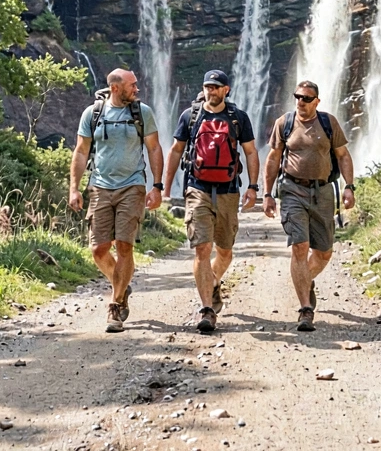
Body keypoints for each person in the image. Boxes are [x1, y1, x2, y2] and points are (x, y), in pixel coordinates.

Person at [70, 69, 165, 333]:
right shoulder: (93, 114)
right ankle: (120, 283)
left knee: (124, 245)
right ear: (115, 87)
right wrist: (73, 188)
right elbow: (81, 151)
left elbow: (154, 148)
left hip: (132, 186)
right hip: (100, 187)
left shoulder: (142, 112)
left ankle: (115, 304)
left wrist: (156, 186)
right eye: (132, 85)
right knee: (99, 249)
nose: (137, 89)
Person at [164, 70, 260, 332]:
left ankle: (214, 280)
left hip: (229, 190)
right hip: (197, 189)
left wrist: (253, 186)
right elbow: (175, 150)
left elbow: (250, 151)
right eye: (208, 86)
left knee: (225, 250)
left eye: (216, 87)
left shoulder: (238, 118)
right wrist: (163, 186)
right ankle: (207, 309)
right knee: (202, 249)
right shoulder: (190, 116)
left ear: (226, 90)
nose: (211, 91)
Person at [261, 80, 355, 332]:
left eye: (306, 98)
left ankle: (305, 279)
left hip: (324, 191)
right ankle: (305, 309)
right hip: (292, 190)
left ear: (317, 101)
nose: (301, 102)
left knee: (324, 252)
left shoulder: (328, 123)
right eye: (298, 97)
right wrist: (267, 193)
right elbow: (273, 159)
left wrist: (349, 186)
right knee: (300, 246)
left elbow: (343, 155)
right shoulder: (285, 123)